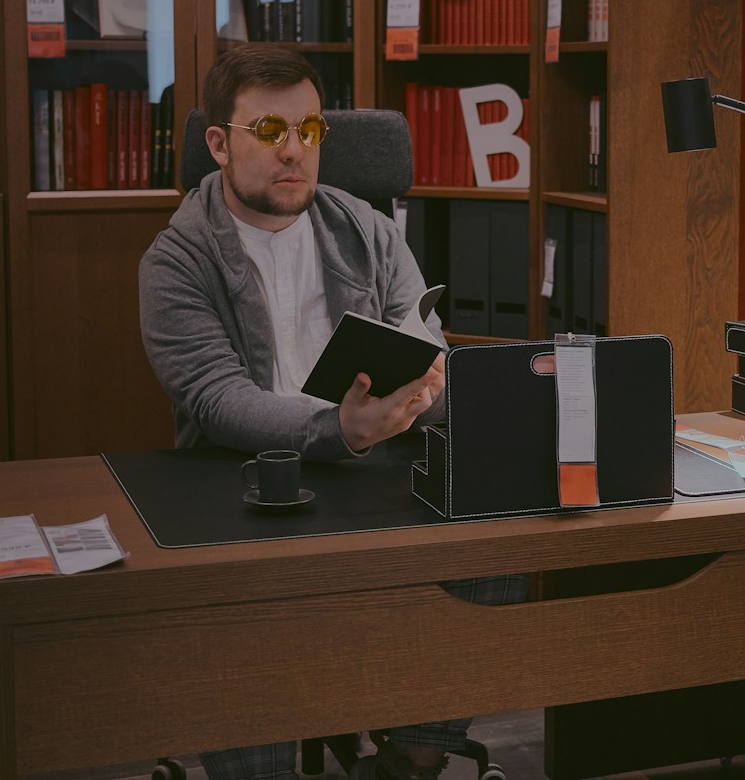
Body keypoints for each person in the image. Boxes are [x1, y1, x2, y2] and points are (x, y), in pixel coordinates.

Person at [139, 44, 524, 780]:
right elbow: (218, 401)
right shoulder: (176, 259)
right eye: (268, 130)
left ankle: (412, 758)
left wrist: (430, 390)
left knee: (495, 541)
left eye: (309, 130)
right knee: (246, 635)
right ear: (218, 143)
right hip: (244, 487)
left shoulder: (371, 232)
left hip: (379, 475)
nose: (294, 150)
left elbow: (430, 356)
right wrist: (338, 430)